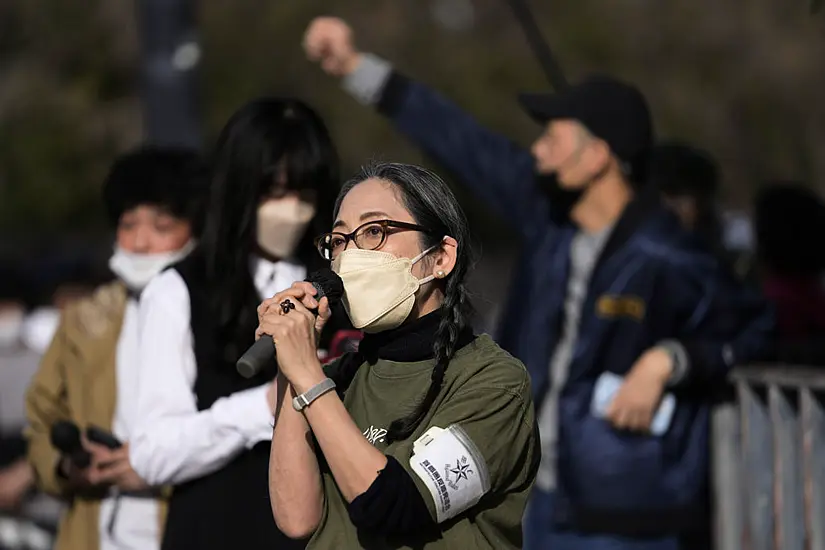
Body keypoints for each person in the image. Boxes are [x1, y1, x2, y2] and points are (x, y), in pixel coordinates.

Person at [303, 18, 774, 550]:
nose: (539, 149)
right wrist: (356, 69)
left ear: (597, 156)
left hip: (625, 514)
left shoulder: (669, 253)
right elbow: (462, 141)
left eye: (554, 136)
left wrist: (671, 358)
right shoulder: (547, 217)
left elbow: (753, 325)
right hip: (536, 497)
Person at [262, 161, 539, 549]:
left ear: (441, 257)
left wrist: (308, 375)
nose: (351, 255)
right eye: (339, 241)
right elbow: (296, 518)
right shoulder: (337, 377)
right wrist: (290, 366)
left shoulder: (494, 381)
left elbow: (392, 506)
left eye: (374, 232)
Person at [129, 97, 343, 550]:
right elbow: (153, 453)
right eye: (274, 192)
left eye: (305, 195)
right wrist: (269, 401)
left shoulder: (338, 287)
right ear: (239, 188)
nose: (291, 210)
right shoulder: (178, 291)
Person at [24, 147, 206, 550]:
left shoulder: (219, 315)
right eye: (128, 224)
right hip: (95, 530)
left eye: (161, 226)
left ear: (196, 228)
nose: (141, 241)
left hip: (186, 526)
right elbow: (40, 420)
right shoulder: (83, 320)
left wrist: (162, 465)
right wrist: (67, 464)